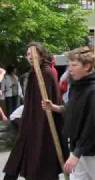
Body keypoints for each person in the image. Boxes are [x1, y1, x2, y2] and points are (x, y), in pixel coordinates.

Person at [42, 46, 95, 180]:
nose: (70, 69)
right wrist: (55, 107)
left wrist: (76, 154)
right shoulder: (78, 86)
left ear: (87, 66)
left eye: (74, 65)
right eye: (69, 65)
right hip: (79, 148)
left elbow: (94, 126)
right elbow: (75, 110)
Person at [3, 42, 67, 180]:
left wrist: (36, 127)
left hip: (42, 127)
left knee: (43, 164)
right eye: (27, 54)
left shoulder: (46, 73)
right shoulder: (34, 73)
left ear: (42, 55)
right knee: (21, 160)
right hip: (31, 124)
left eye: (33, 54)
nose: (30, 57)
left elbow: (46, 104)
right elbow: (31, 103)